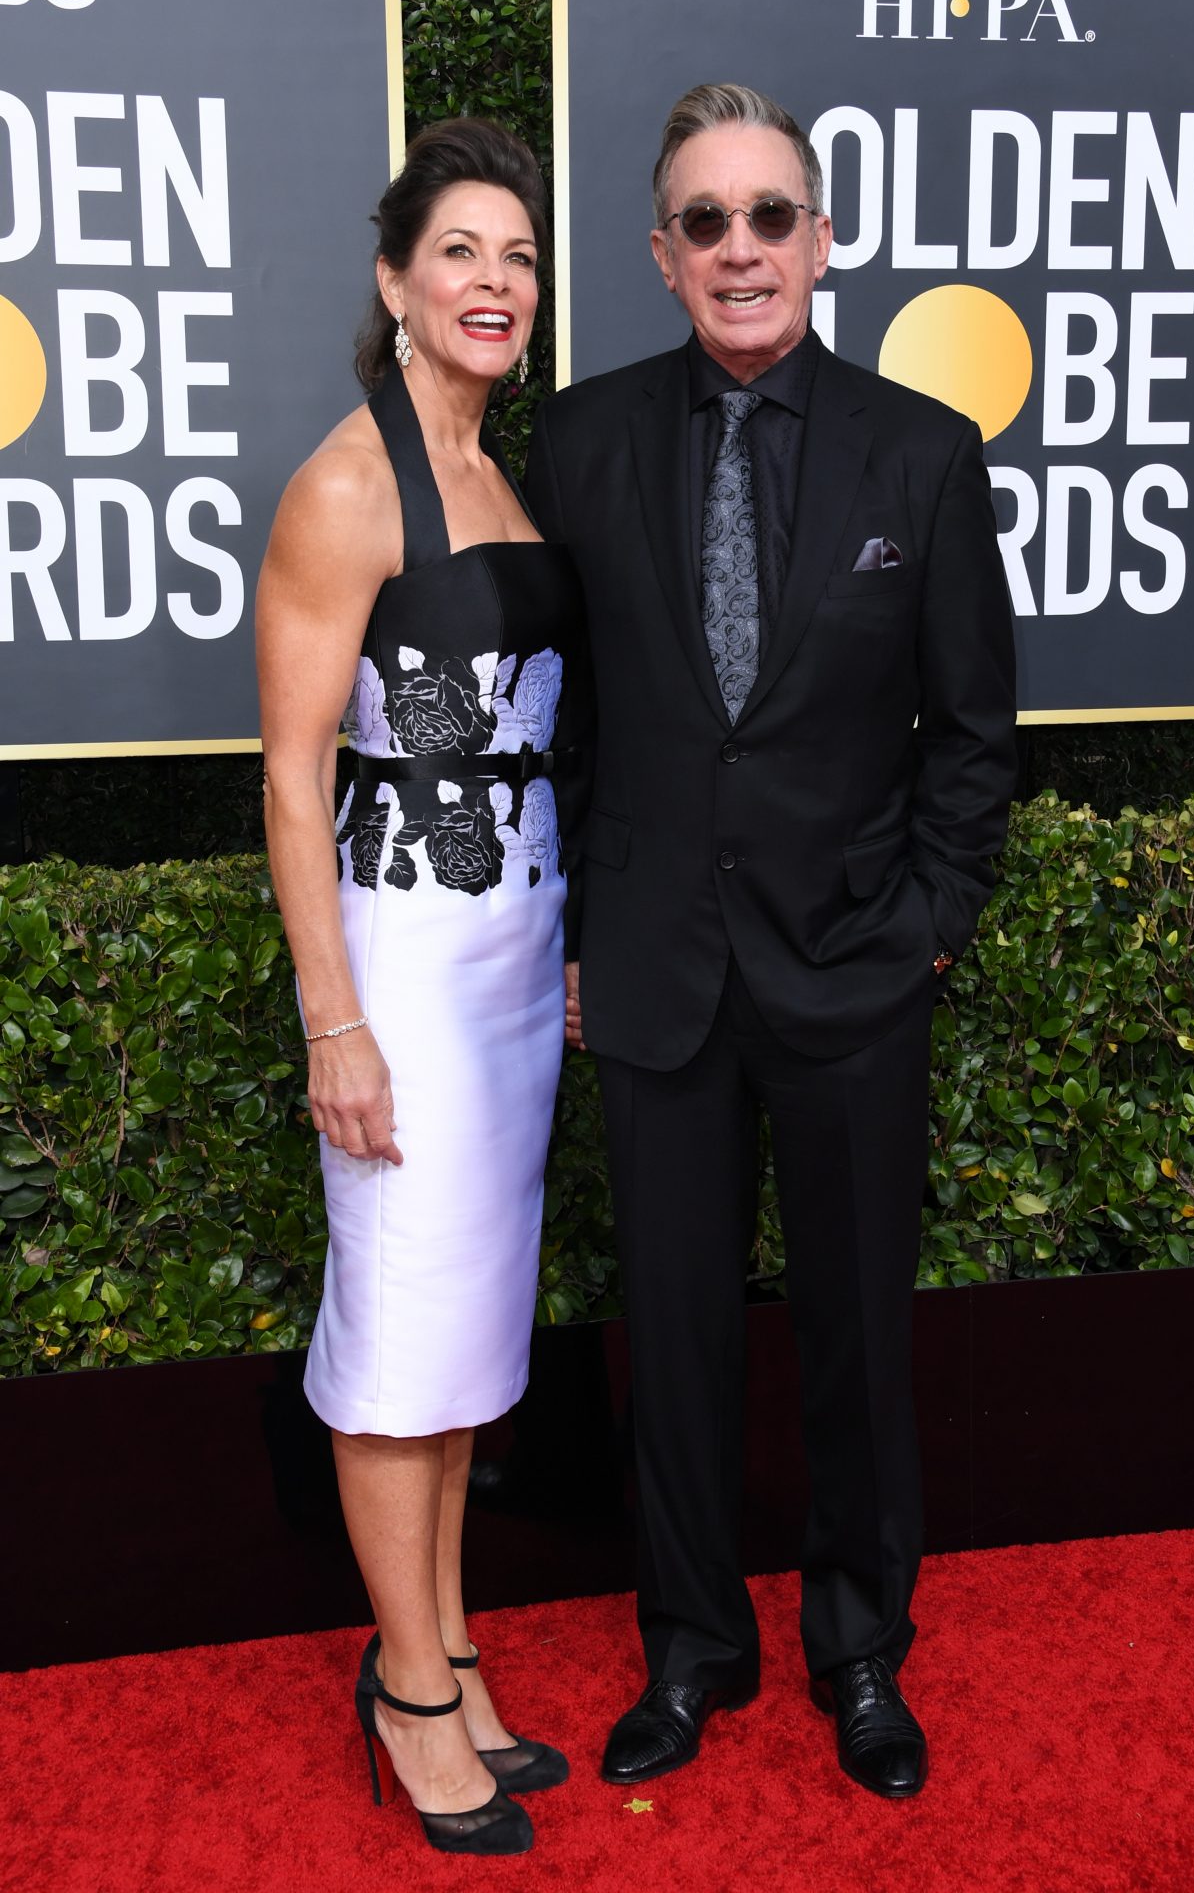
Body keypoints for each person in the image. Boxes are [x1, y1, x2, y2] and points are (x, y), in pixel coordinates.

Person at [526, 83, 1016, 1801]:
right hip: (656, 972)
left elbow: (973, 729)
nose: (742, 248)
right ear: (662, 255)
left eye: (770, 215)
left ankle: (862, 1650)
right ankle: (690, 1647)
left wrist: (930, 925)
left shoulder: (919, 452)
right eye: (705, 220)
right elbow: (562, 723)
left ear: (825, 239)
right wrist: (580, 923)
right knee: (670, 1333)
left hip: (854, 973)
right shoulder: (580, 446)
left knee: (859, 1335)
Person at [257, 117, 584, 1859]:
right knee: (399, 1337)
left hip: (516, 970)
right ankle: (404, 1688)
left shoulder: (502, 473)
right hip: (399, 970)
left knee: (466, 1340)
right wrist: (336, 1021)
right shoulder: (348, 482)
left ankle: (447, 1641)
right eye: (460, 251)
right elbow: (294, 776)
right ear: (393, 283)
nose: (494, 283)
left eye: (518, 257)